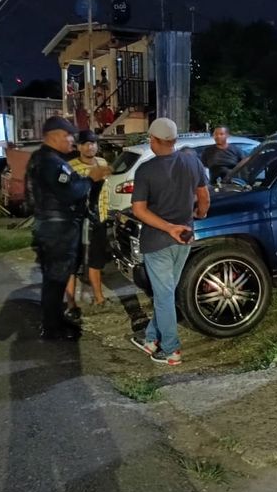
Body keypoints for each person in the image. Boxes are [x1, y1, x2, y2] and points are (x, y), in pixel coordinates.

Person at [130, 118, 210, 366]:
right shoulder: (192, 161)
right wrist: (200, 214)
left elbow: (139, 210)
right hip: (185, 236)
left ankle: (171, 350)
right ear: (173, 141)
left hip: (158, 241)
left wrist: (168, 227)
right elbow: (203, 196)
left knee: (163, 296)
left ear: (153, 140)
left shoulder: (146, 170)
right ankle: (151, 338)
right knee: (167, 292)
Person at [26, 116, 111, 340]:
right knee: (55, 280)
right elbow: (72, 191)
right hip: (58, 230)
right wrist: (91, 179)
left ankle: (54, 323)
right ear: (54, 136)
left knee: (55, 279)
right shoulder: (51, 162)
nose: (71, 140)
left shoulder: (43, 158)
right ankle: (53, 329)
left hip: (51, 227)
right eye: (68, 136)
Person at [64, 130, 111, 316]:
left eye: (93, 143)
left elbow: (105, 193)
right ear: (78, 146)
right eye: (85, 143)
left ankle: (99, 298)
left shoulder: (102, 163)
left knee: (95, 261)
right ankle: (71, 305)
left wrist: (106, 215)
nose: (90, 146)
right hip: (75, 223)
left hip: (98, 220)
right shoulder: (69, 167)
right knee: (72, 264)